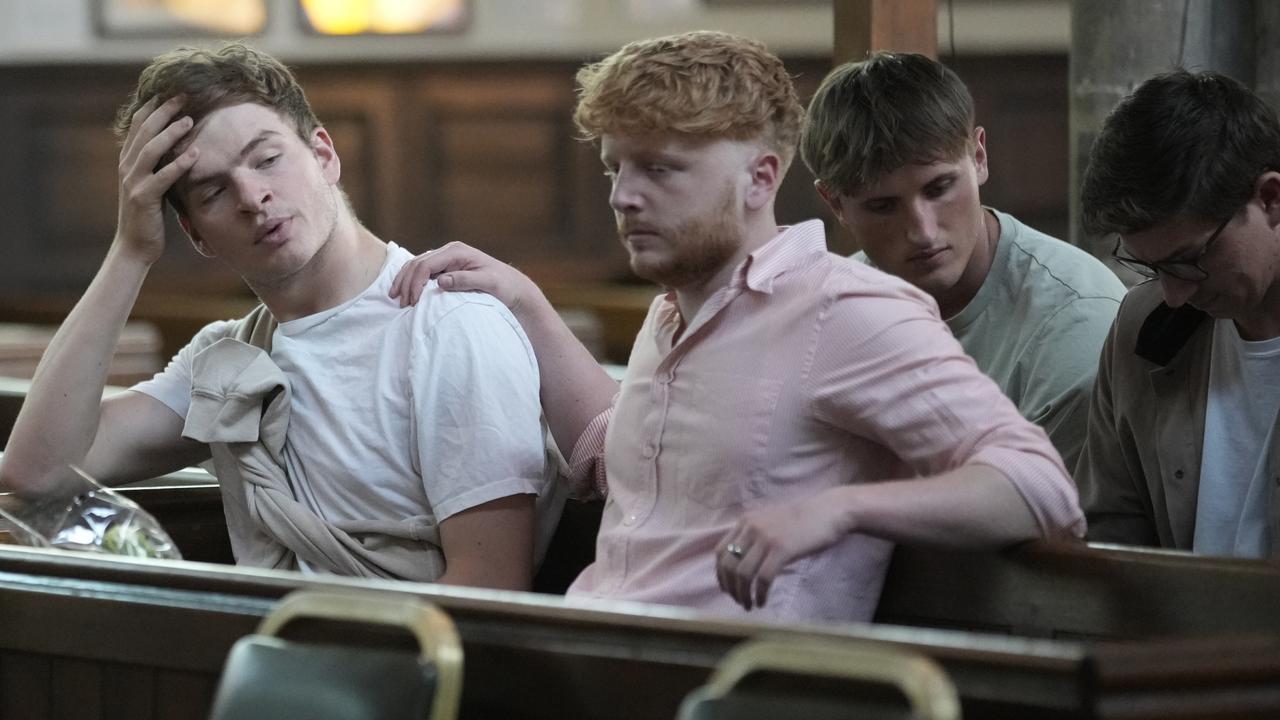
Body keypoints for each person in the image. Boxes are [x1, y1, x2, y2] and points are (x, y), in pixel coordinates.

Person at [390, 31, 1084, 623]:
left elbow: (1039, 488)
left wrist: (841, 510)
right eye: (616, 167)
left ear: (761, 178)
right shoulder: (673, 309)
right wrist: (525, 303)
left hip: (729, 687)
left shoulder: (847, 310)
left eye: (661, 169)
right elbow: (625, 464)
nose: (623, 197)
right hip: (598, 660)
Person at [0, 43, 559, 589]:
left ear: (323, 154)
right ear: (195, 235)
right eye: (214, 191)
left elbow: (490, 588)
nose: (252, 196)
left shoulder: (447, 325)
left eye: (267, 159)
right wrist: (130, 251)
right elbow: (37, 471)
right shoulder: (228, 360)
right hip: (268, 652)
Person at [801, 52, 1126, 472]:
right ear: (835, 204)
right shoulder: (832, 310)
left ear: (979, 157)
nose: (922, 231)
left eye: (939, 188)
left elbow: (1046, 523)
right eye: (883, 206)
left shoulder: (1075, 319)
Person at [1076, 69, 1280, 557]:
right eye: (1151, 267)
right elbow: (1110, 531)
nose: (1173, 293)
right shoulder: (1144, 329)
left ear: (1271, 199)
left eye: (1190, 260)